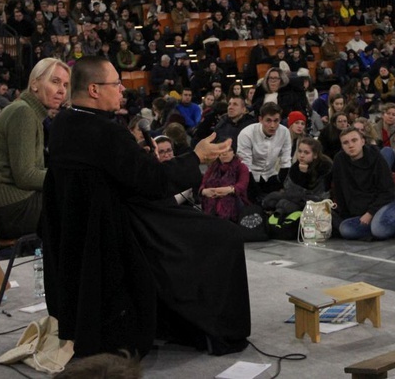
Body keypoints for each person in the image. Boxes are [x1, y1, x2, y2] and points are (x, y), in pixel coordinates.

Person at [41, 56, 250, 358]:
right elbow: (153, 182)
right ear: (94, 89)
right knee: (222, 237)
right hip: (119, 229)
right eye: (116, 84)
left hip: (87, 230)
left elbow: (115, 172)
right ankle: (210, 327)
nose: (122, 89)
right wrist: (196, 156)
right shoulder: (107, 132)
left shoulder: (63, 123)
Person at [0, 59, 71, 239]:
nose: (62, 90)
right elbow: (26, 176)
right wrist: (67, 176)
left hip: (11, 205)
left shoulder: (25, 109)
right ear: (35, 84)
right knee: (87, 204)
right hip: (15, 210)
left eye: (65, 85)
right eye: (55, 82)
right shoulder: (24, 113)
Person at [332, 127, 395, 240]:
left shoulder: (375, 156)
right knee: (345, 229)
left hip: (386, 204)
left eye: (354, 140)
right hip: (362, 211)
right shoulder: (339, 160)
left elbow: (388, 191)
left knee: (379, 229)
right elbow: (339, 191)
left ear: (362, 141)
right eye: (345, 143)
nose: (350, 145)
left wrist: (370, 213)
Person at [236, 102, 292, 202]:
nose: (273, 125)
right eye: (268, 121)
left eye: (276, 121)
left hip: (271, 175)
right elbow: (245, 167)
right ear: (260, 119)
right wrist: (257, 193)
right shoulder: (246, 134)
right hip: (249, 177)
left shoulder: (284, 132)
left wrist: (281, 187)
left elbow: (286, 161)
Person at [262, 137, 332, 215]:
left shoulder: (324, 167)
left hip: (314, 203)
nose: (301, 155)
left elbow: (319, 196)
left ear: (315, 155)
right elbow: (289, 188)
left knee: (285, 205)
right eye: (300, 151)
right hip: (295, 197)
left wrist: (303, 175)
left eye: (306, 153)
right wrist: (300, 173)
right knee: (270, 199)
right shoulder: (296, 167)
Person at [199, 146, 250, 223]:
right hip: (212, 197)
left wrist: (229, 190)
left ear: (234, 153)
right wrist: (204, 191)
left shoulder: (242, 167)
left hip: (235, 198)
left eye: (229, 150)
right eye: (221, 151)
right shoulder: (212, 167)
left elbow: (242, 185)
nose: (225, 153)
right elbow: (202, 183)